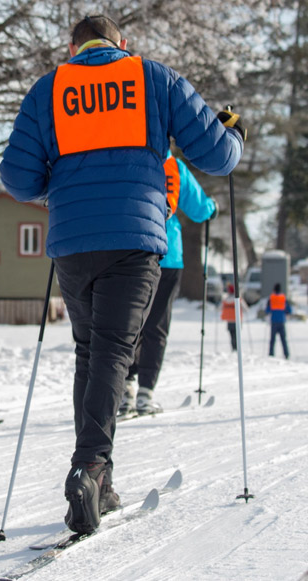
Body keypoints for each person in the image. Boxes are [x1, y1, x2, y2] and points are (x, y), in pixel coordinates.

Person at [0, 14, 243, 536]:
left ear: (72, 46)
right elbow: (218, 156)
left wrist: (59, 181)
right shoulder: (154, 78)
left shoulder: (50, 88)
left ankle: (100, 478)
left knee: (91, 352)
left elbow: (17, 179)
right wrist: (235, 133)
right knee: (113, 350)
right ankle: (88, 470)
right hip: (134, 240)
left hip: (72, 241)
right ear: (122, 45)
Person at [120, 150, 217, 417]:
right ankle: (145, 394)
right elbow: (199, 211)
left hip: (133, 253)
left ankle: (125, 390)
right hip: (168, 256)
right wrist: (212, 208)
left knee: (130, 323)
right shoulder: (174, 166)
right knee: (157, 326)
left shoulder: (131, 157)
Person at [265, 282, 293, 359]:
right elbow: (289, 310)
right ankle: (286, 354)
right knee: (283, 339)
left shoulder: (271, 298)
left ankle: (271, 354)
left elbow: (267, 310)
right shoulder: (283, 298)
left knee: (272, 340)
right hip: (282, 321)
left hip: (274, 321)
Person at [222, 283, 239, 352]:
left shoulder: (225, 300)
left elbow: (219, 308)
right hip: (236, 321)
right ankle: (236, 348)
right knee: (236, 335)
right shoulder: (237, 300)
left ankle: (233, 348)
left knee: (232, 335)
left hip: (229, 320)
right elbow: (246, 309)